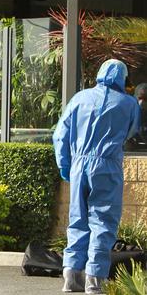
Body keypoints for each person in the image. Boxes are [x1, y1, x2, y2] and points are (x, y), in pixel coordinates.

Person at [53, 59, 141, 294]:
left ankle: (71, 278)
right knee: (102, 222)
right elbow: (131, 132)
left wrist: (65, 164)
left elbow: (60, 134)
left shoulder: (80, 98)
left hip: (79, 165)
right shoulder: (129, 103)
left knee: (78, 220)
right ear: (122, 78)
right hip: (107, 166)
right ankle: (94, 281)